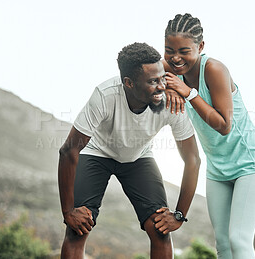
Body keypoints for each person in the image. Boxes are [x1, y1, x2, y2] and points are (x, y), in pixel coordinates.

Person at [58, 42, 201, 259]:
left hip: (139, 157)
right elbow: (68, 151)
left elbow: (193, 160)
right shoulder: (105, 95)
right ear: (129, 83)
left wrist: (179, 215)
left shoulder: (171, 103)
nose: (162, 86)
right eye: (153, 81)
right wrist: (68, 211)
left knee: (160, 228)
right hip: (97, 153)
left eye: (163, 78)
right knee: (78, 228)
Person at [158, 13, 255, 259]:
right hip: (218, 170)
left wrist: (188, 93)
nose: (175, 58)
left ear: (200, 47)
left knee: (239, 240)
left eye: (184, 51)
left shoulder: (214, 69)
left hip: (250, 166)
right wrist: (169, 86)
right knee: (223, 244)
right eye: (169, 50)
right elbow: (147, 72)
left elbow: (223, 125)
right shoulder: (169, 69)